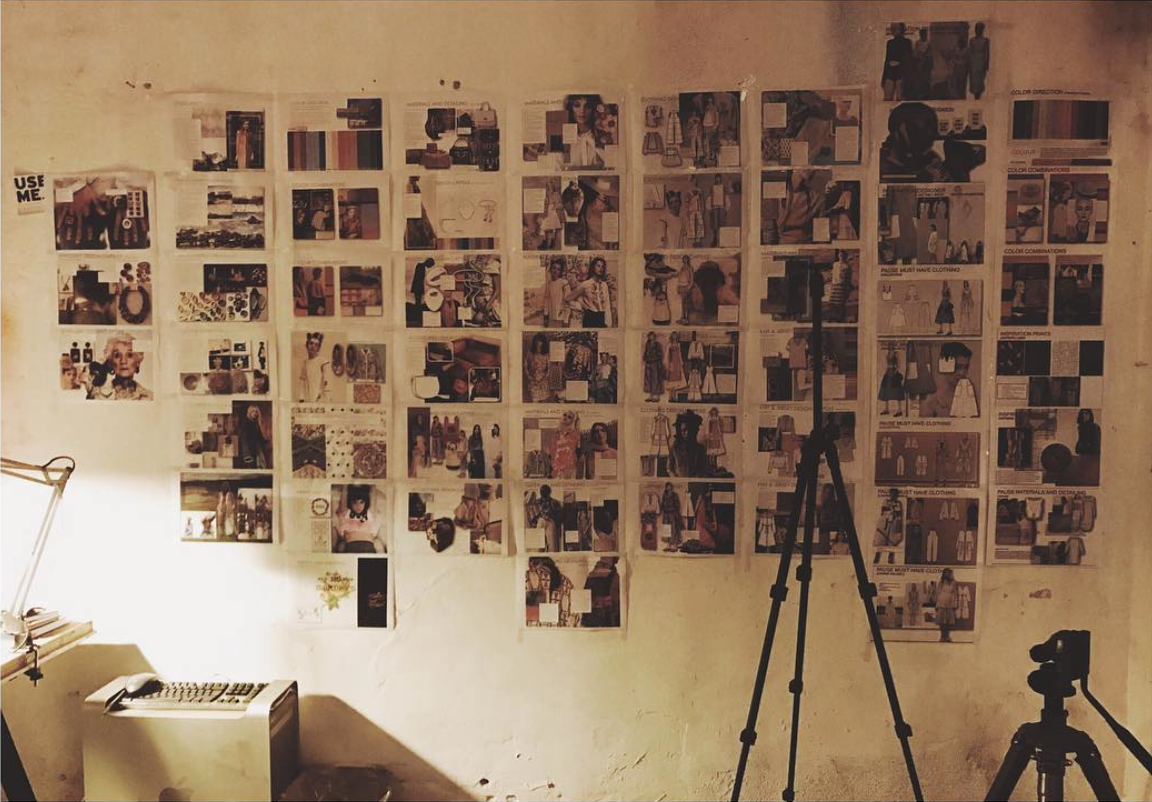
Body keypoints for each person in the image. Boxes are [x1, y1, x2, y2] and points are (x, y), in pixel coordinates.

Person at [83, 333, 152, 400]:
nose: (123, 361)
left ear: (138, 362)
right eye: (117, 355)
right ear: (111, 362)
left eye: (130, 355)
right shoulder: (97, 394)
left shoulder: (149, 397)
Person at [335, 485, 384, 553]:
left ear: (365, 503)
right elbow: (344, 492)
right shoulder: (346, 513)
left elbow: (373, 491)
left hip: (368, 548)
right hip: (351, 547)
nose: (358, 506)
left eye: (361, 502)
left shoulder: (369, 514)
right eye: (354, 502)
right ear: (350, 503)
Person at [565, 94, 604, 168]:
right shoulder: (564, 138)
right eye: (577, 105)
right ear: (570, 108)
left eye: (588, 106)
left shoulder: (602, 137)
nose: (582, 111)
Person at [669, 410, 706, 477]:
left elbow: (703, 468)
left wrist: (698, 476)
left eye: (690, 429)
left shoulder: (700, 449)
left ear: (694, 430)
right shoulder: (674, 447)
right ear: (679, 431)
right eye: (684, 430)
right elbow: (669, 469)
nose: (687, 433)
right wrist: (675, 478)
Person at [882, 23, 913, 101]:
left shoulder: (907, 42)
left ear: (902, 30)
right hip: (890, 71)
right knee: (887, 98)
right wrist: (883, 77)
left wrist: (908, 78)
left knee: (900, 99)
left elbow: (909, 60)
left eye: (898, 29)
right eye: (894, 29)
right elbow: (887, 59)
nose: (896, 31)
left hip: (901, 72)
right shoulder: (890, 42)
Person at [239, 404, 270, 469]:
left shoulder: (255, 423)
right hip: (249, 451)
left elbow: (259, 437)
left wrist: (266, 441)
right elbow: (244, 439)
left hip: (256, 450)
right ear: (249, 412)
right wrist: (247, 454)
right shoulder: (245, 423)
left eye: (256, 411)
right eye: (253, 411)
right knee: (251, 467)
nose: (255, 413)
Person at [525, 333, 552, 403]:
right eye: (537, 341)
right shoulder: (530, 353)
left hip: (543, 382)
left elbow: (549, 368)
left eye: (540, 341)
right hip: (533, 381)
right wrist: (529, 377)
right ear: (534, 342)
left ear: (543, 343)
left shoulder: (546, 354)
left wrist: (544, 378)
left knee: (543, 404)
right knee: (534, 402)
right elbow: (525, 366)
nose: (538, 343)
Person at [543, 258, 569, 327]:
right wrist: (546, 315)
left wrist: (566, 319)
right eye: (554, 268)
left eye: (558, 269)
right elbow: (547, 300)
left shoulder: (564, 283)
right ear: (551, 269)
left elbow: (568, 301)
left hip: (561, 318)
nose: (555, 271)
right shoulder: (549, 283)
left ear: (560, 272)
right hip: (551, 317)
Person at [967, 22, 990, 99]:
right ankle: (975, 96)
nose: (978, 31)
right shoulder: (972, 40)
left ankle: (978, 96)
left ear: (982, 30)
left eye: (979, 29)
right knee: (974, 81)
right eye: (976, 29)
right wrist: (969, 64)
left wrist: (986, 64)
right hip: (973, 63)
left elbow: (987, 53)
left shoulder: (985, 40)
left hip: (981, 62)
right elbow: (970, 52)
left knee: (980, 81)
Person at [935, 568, 958, 642]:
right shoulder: (940, 583)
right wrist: (937, 604)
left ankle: (947, 636)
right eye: (947, 573)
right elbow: (938, 594)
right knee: (942, 621)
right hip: (941, 603)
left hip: (950, 604)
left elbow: (955, 594)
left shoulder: (953, 583)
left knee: (948, 621)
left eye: (950, 573)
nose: (950, 575)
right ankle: (942, 636)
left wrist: (954, 603)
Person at [642, 332, 665, 401]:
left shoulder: (657, 344)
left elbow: (660, 354)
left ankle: (657, 396)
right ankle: (650, 396)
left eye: (652, 336)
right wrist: (645, 358)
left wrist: (655, 357)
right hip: (648, 364)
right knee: (648, 380)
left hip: (655, 364)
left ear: (654, 337)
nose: (651, 337)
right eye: (650, 336)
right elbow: (645, 353)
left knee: (656, 379)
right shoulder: (647, 344)